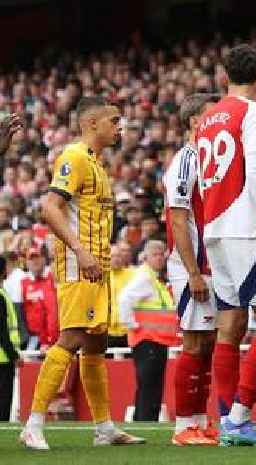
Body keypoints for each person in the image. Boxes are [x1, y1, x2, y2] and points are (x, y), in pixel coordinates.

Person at [20, 96, 145, 449]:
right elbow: (49, 206)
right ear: (93, 124)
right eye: (114, 120)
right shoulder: (74, 157)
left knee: (95, 343)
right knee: (72, 337)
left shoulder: (97, 164)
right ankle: (33, 423)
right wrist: (79, 249)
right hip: (80, 263)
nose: (121, 127)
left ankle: (104, 427)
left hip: (99, 266)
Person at [195, 44, 256, 446]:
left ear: (222, 76)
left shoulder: (206, 118)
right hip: (246, 226)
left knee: (229, 324)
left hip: (213, 226)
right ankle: (240, 418)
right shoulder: (252, 112)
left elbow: (202, 180)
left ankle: (227, 416)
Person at [165, 93, 219, 446]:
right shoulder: (186, 160)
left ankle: (199, 420)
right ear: (194, 122)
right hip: (192, 266)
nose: (218, 123)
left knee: (210, 344)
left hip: (213, 265)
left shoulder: (210, 159)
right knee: (194, 343)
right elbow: (178, 220)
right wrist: (194, 272)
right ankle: (183, 425)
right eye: (211, 118)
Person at [119, 240, 180, 421]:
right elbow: (125, 299)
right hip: (147, 340)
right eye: (155, 254)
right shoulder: (145, 277)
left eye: (162, 254)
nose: (160, 258)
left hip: (156, 340)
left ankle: (145, 419)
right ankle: (145, 420)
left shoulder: (154, 278)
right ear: (146, 257)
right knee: (149, 385)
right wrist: (130, 324)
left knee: (152, 385)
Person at [20, 247, 58, 351]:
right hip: (33, 337)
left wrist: (49, 340)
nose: (35, 261)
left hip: (56, 336)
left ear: (44, 259)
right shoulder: (22, 283)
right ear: (27, 262)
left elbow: (53, 312)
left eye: (37, 257)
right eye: (31, 258)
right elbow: (20, 314)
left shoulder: (53, 278)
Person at [0, 255, 20, 421]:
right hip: (3, 359)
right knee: (3, 403)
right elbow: (2, 331)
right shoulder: (1, 296)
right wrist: (13, 355)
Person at [107, 242, 134, 348]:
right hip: (107, 331)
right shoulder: (101, 277)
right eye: (112, 256)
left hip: (128, 330)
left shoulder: (133, 275)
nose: (116, 259)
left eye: (118, 255)